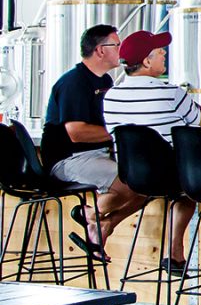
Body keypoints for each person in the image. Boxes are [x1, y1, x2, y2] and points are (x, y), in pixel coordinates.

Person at [101, 30, 201, 275]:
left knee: (168, 185)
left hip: (133, 177)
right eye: (160, 52)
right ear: (146, 62)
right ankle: (174, 251)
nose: (164, 54)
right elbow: (199, 128)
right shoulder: (172, 93)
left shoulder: (110, 96)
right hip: (174, 177)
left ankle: (104, 223)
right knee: (188, 188)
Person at [43, 23, 136, 262]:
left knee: (146, 183)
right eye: (116, 45)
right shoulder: (73, 83)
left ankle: (100, 225)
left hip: (98, 155)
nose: (121, 50)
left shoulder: (105, 81)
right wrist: (119, 131)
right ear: (100, 50)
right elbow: (77, 132)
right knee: (130, 181)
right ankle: (90, 216)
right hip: (68, 159)